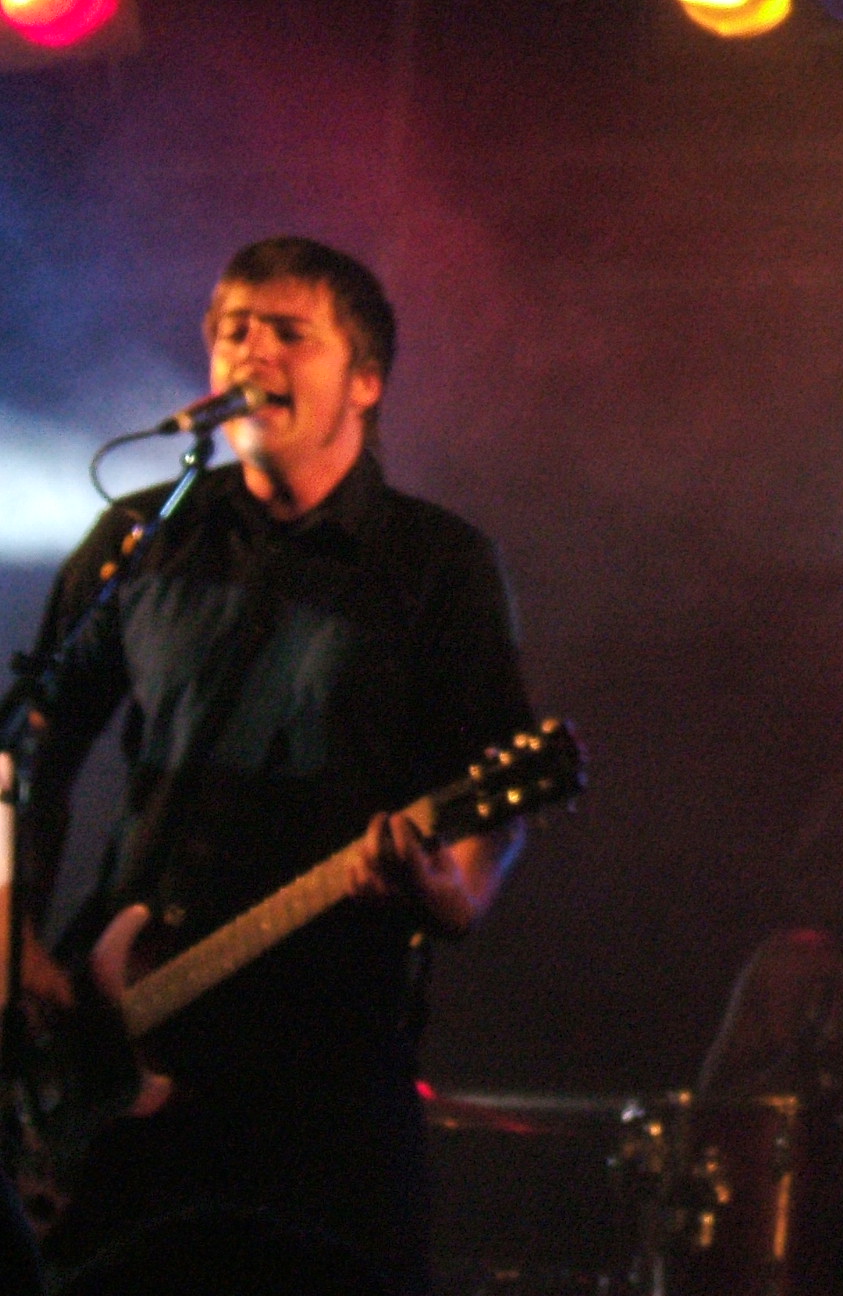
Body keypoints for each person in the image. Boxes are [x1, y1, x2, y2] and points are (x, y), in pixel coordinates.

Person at [10, 237, 534, 1292]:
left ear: (368, 379)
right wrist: (12, 937)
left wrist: (453, 891)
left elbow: (497, 785)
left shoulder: (435, 563)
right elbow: (28, 753)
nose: (248, 351)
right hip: (116, 1046)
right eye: (230, 329)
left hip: (322, 1061)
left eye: (288, 333)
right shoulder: (141, 539)